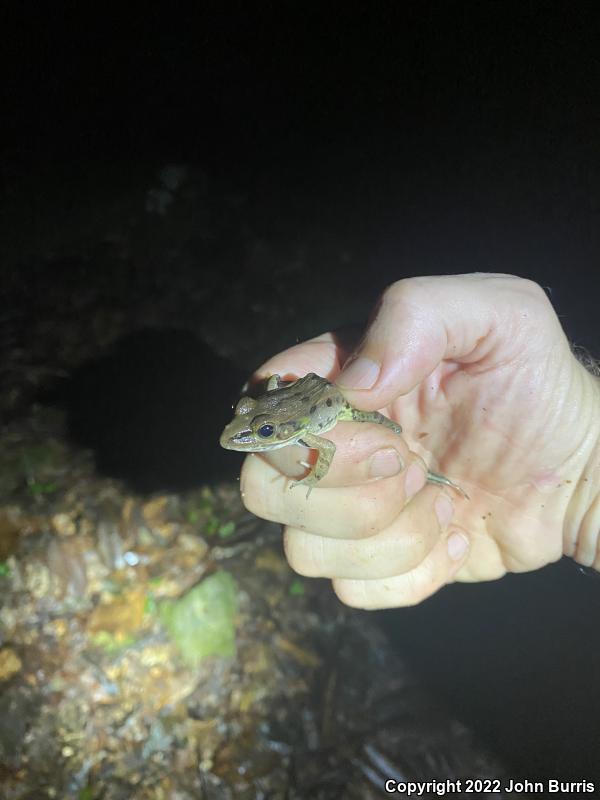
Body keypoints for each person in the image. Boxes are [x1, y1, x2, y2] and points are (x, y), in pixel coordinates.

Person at [238, 273, 600, 609]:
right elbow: (273, 388)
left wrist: (314, 477)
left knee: (385, 437)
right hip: (310, 401)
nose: (251, 434)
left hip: (340, 405)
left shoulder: (308, 430)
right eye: (253, 420)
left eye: (265, 431)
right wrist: (583, 485)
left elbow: (328, 446)